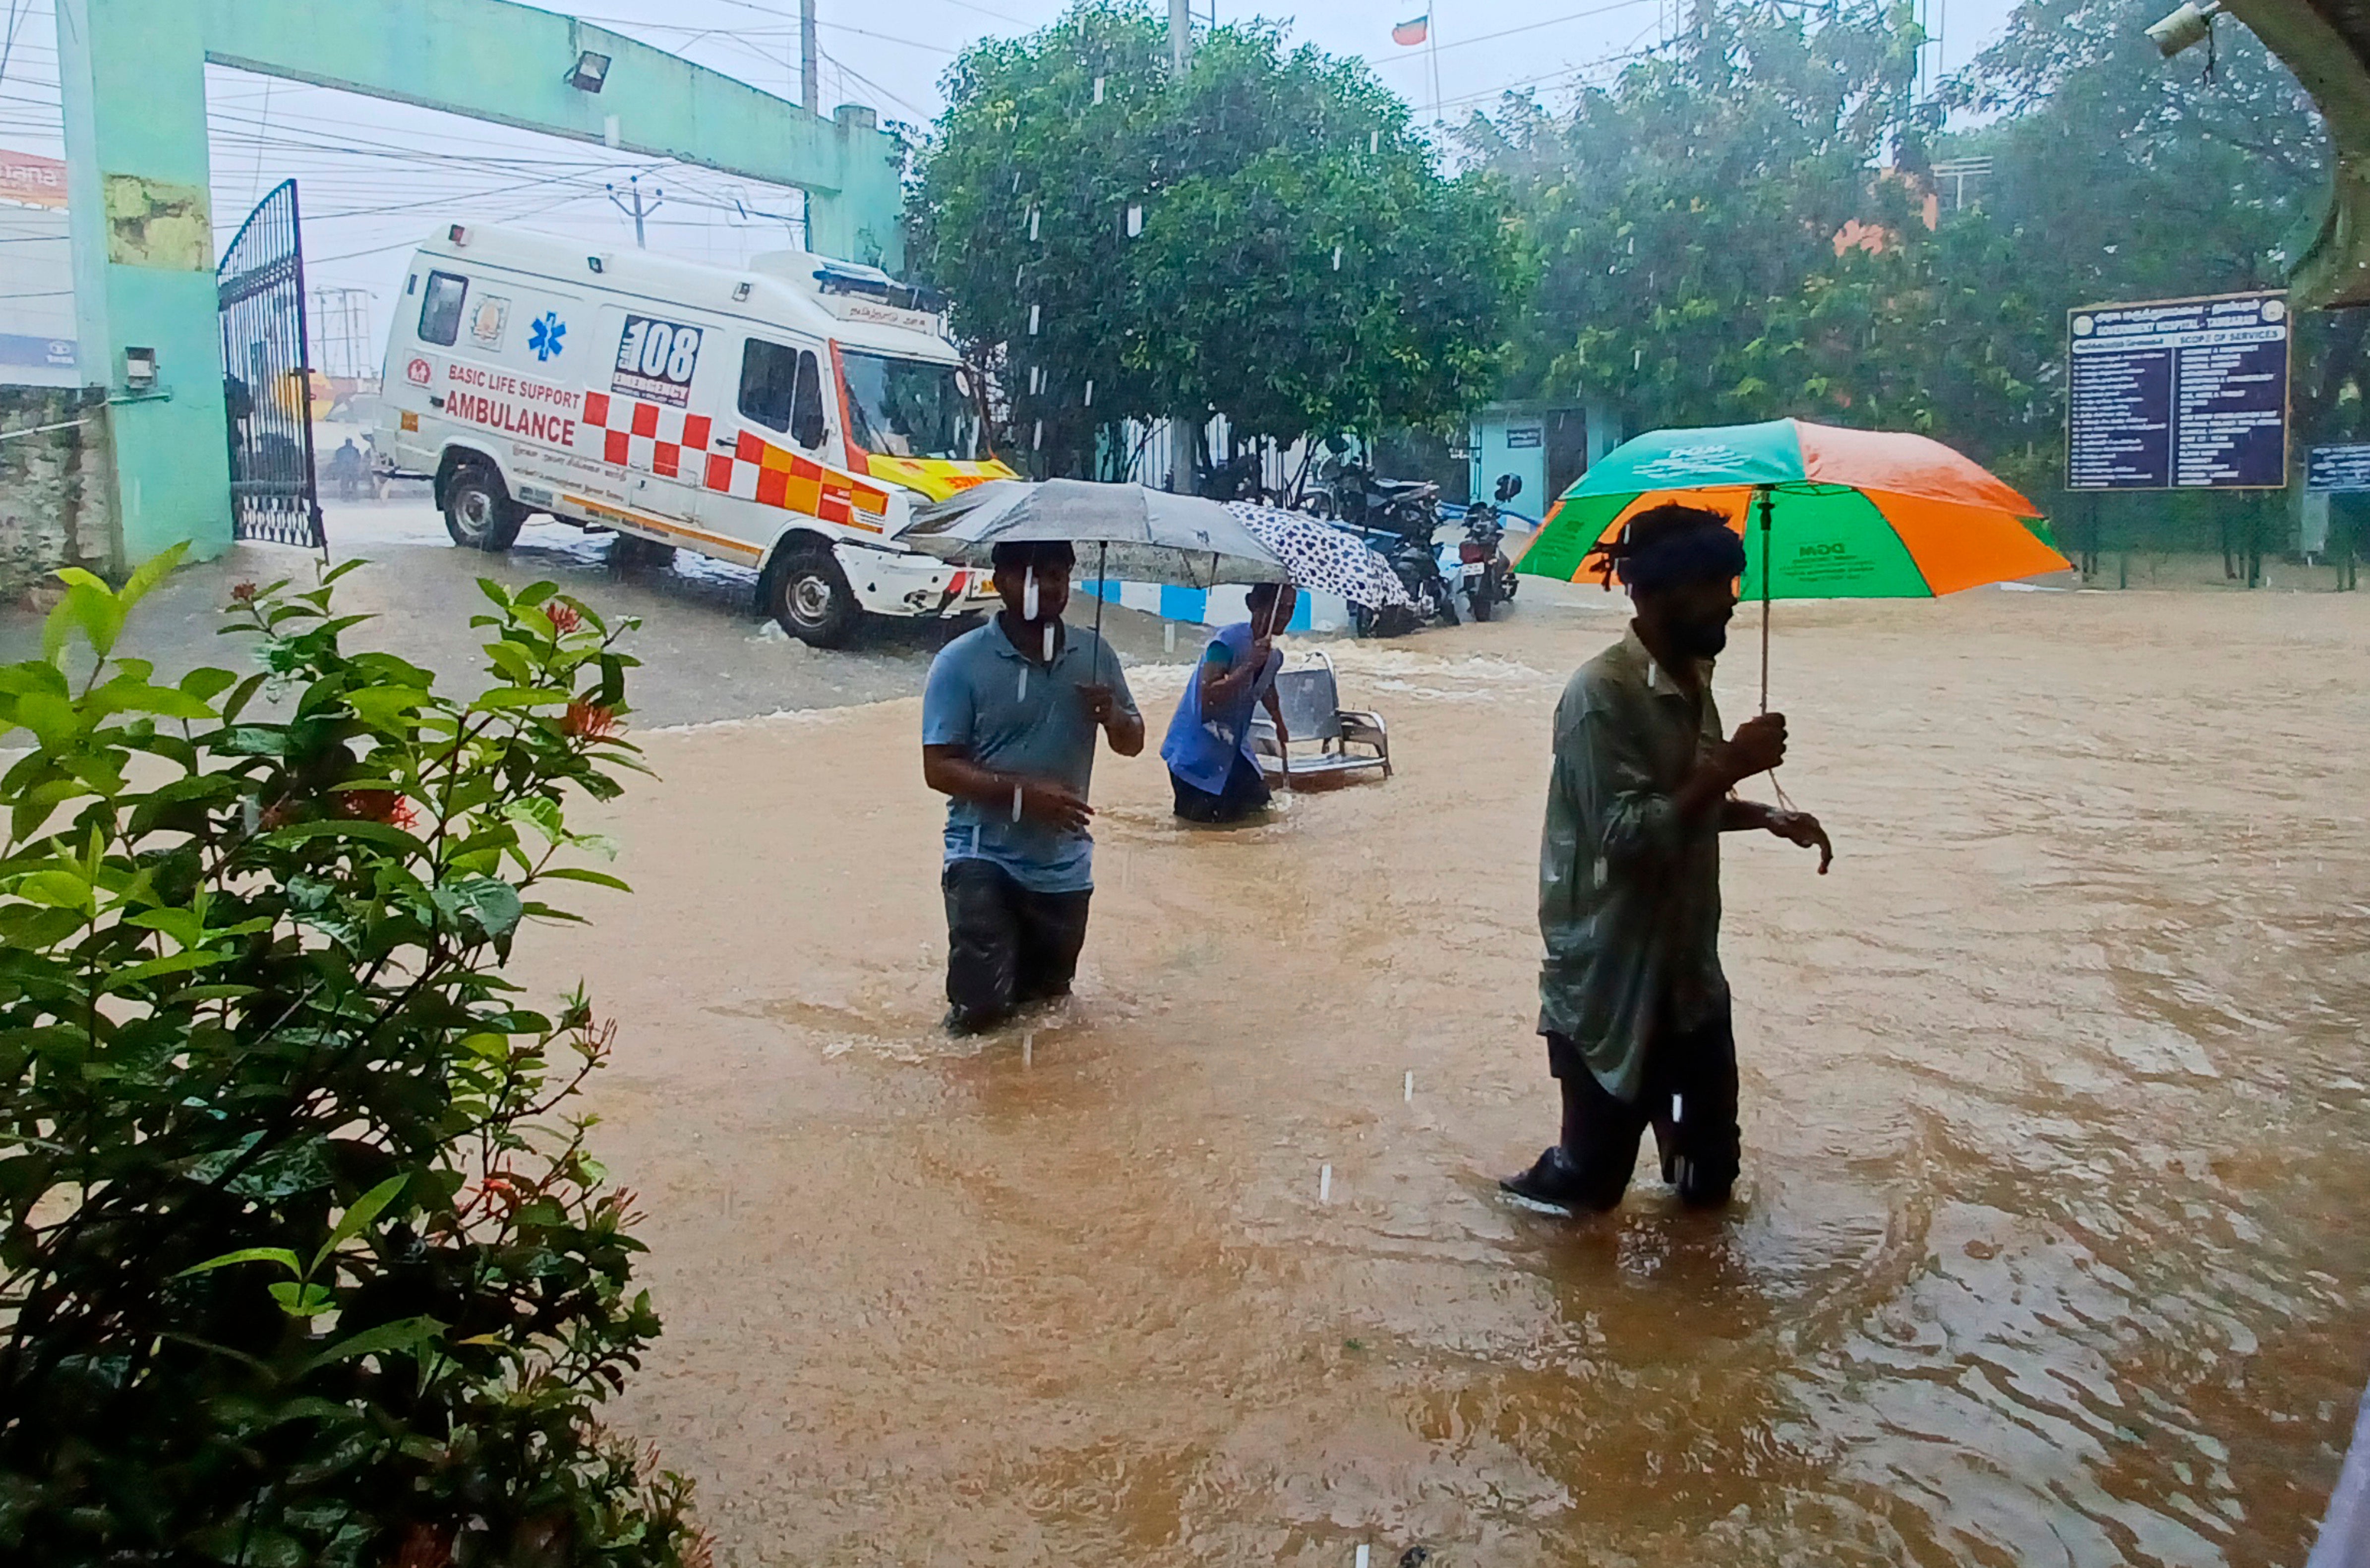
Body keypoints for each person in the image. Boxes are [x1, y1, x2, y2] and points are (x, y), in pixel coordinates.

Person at [1502, 503, 1833, 1214]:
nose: (1731, 602)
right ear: (1652, 593)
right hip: (1612, 976)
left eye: (1731, 583)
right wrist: (1733, 765)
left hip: (1688, 968)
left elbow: (1683, 807)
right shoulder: (1600, 695)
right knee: (1590, 1188)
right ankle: (1507, 1202)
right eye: (1712, 585)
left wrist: (1767, 815)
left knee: (1709, 1179)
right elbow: (1626, 834)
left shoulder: (1693, 677)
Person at [921, 540, 1145, 1033]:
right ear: (999, 581)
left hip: (1062, 867)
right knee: (979, 1016)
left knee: (1047, 1014)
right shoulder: (960, 663)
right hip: (982, 858)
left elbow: (1133, 743)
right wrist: (1024, 796)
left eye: (1056, 576)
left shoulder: (1094, 654)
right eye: (1030, 576)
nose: (1045, 589)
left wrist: (1112, 715)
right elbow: (938, 768)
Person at [1159, 582, 1296, 823]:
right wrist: (1248, 666)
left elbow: (1267, 687)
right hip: (1196, 754)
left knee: (1260, 812)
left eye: (1290, 609)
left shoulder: (1274, 657)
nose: (1284, 616)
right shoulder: (1224, 643)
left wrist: (1280, 723)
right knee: (1199, 829)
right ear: (1253, 605)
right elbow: (1209, 694)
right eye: (1278, 607)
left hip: (1233, 751)